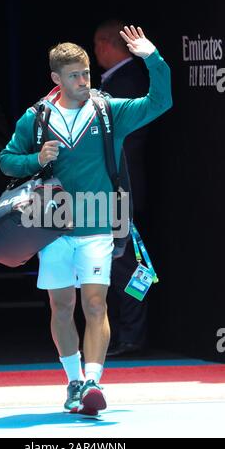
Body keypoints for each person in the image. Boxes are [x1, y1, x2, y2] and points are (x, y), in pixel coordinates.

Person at [0, 25, 172, 415]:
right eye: (74, 75)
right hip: (52, 226)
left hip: (97, 225)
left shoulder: (109, 111)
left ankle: (94, 381)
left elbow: (161, 101)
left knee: (95, 304)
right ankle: (73, 380)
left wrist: (152, 58)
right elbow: (6, 160)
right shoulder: (37, 118)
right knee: (61, 307)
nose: (83, 81)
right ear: (55, 79)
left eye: (87, 73)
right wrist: (34, 160)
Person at [94, 19, 151, 356]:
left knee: (127, 263)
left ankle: (132, 335)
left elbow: (123, 139)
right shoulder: (116, 80)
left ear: (104, 44)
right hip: (112, 190)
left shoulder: (127, 81)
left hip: (121, 189)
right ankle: (123, 333)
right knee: (115, 264)